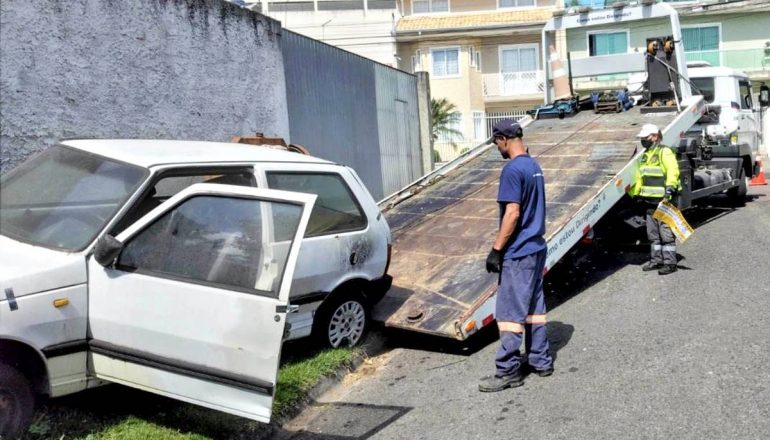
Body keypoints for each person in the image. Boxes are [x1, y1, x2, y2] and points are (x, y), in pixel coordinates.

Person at [479, 119, 553, 393]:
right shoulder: (534, 166)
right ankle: (540, 360)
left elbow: (513, 213)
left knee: (510, 312)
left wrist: (496, 250)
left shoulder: (512, 169)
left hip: (519, 252)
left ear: (503, 139)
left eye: (496, 142)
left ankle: (508, 371)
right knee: (534, 308)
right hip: (536, 248)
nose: (497, 147)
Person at [629, 123, 681, 275]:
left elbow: (673, 170)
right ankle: (656, 261)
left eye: (646, 137)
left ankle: (670, 263)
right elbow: (640, 177)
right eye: (643, 138)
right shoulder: (645, 155)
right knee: (653, 235)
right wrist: (635, 194)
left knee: (666, 234)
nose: (643, 140)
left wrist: (670, 188)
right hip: (649, 202)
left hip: (664, 201)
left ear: (655, 136)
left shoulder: (664, 152)